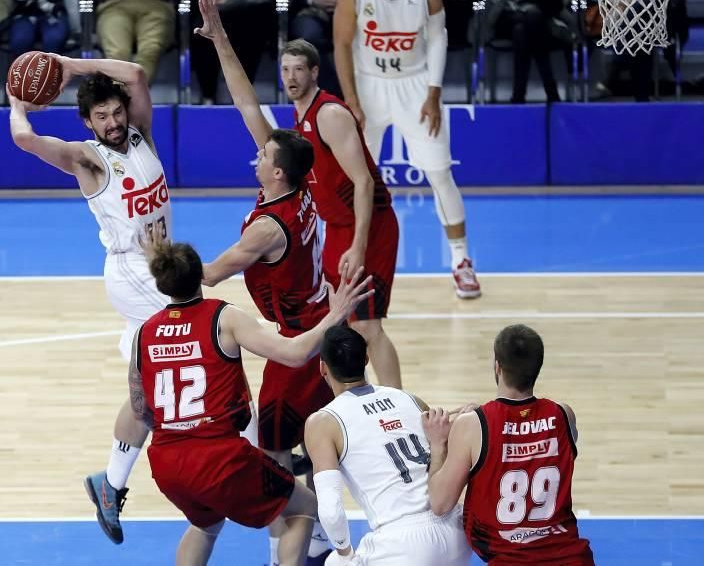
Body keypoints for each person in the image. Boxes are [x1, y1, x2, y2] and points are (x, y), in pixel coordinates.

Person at [7, 56, 175, 545]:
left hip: (163, 267)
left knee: (146, 396)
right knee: (204, 348)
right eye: (101, 116)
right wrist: (19, 102)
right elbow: (24, 138)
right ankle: (253, 448)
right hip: (133, 271)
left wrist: (66, 64)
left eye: (115, 112)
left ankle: (110, 482)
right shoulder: (87, 157)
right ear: (87, 123)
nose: (113, 122)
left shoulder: (141, 133)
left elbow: (137, 74)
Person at [195, 0, 336, 565]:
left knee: (274, 455)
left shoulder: (267, 230)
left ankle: (300, 544)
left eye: (261, 156)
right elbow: (246, 102)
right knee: (320, 441)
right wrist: (220, 38)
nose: (254, 155)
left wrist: (149, 254)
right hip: (320, 326)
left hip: (295, 346)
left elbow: (208, 274)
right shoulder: (293, 186)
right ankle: (326, 527)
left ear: (276, 170)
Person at [130, 238, 373, 566]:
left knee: (206, 523)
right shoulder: (223, 317)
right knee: (304, 509)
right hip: (218, 458)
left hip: (167, 463)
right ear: (197, 275)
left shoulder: (144, 333)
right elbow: (295, 353)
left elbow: (139, 408)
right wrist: (335, 314)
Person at [334, 0, 482, 299]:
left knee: (439, 173)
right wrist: (351, 99)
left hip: (416, 84)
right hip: (369, 85)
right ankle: (350, 261)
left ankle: (462, 261)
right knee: (356, 181)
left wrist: (433, 94)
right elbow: (342, 45)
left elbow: (438, 40)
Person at [422, 324, 595, 564]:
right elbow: (533, 442)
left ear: (497, 367)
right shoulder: (564, 415)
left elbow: (440, 504)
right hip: (572, 558)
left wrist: (439, 444)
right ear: (537, 369)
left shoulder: (473, 426)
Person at [304, 325, 470, 565]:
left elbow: (331, 509)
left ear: (322, 368)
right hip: (456, 531)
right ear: (367, 360)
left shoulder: (323, 422)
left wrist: (345, 555)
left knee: (334, 563)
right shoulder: (408, 399)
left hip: (402, 544)